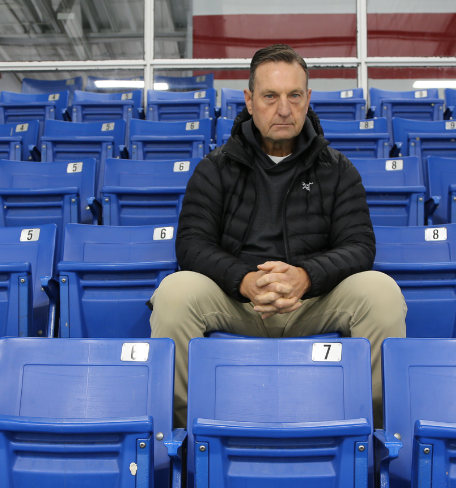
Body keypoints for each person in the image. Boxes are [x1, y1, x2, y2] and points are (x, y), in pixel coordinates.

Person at [150, 44, 406, 428]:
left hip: (311, 303)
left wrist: (305, 276)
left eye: (294, 96)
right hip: (238, 303)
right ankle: (183, 436)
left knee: (381, 292)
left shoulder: (337, 170)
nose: (284, 109)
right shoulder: (215, 168)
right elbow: (191, 245)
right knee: (174, 293)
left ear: (308, 99)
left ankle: (374, 436)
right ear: (250, 101)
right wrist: (246, 281)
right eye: (270, 96)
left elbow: (359, 247)